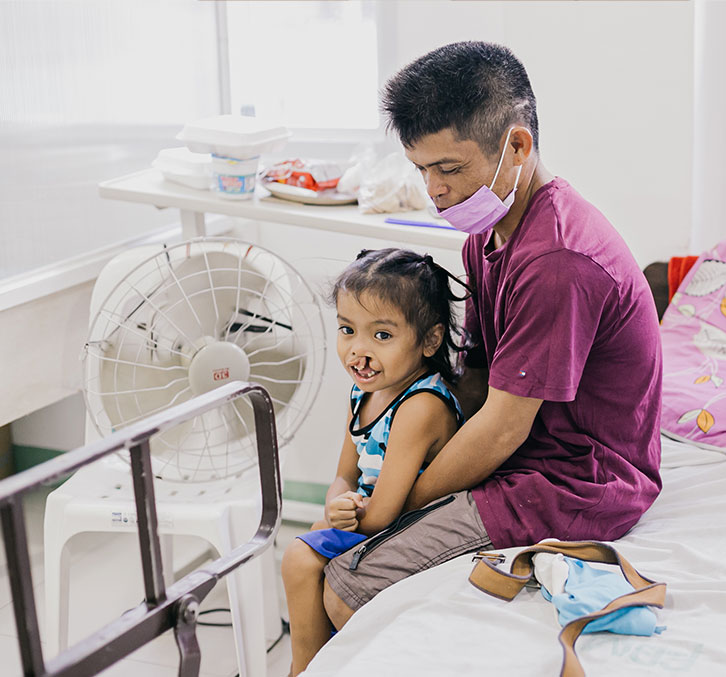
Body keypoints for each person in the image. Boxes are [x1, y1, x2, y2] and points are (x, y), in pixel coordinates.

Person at [285, 40, 663, 673]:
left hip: (573, 478)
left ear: (516, 147)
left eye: (450, 169)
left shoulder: (557, 262)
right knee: (321, 559)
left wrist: (399, 506)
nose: (433, 190)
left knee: (348, 592)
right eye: (421, 168)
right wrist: (397, 437)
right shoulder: (487, 236)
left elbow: (503, 425)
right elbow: (478, 377)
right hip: (522, 452)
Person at [281, 248, 468, 673]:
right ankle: (329, 659)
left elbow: (383, 513)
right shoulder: (362, 394)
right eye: (348, 330)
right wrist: (337, 504)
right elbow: (343, 476)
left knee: (299, 557)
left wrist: (345, 515)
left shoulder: (420, 406)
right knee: (314, 535)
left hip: (410, 524)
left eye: (381, 336)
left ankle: (305, 667)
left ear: (430, 340)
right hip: (373, 513)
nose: (358, 351)